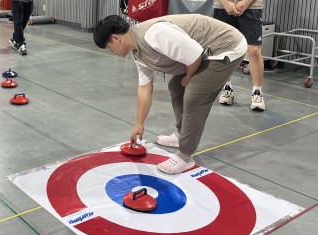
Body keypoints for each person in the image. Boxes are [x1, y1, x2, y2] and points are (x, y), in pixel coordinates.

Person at [93, 14, 247, 174]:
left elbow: (194, 55)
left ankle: (185, 156)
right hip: (203, 52)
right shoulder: (138, 52)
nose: (113, 52)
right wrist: (139, 124)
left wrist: (188, 78)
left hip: (225, 47)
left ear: (116, 38)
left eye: (110, 48)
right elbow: (145, 88)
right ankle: (182, 134)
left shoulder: (154, 35)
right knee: (175, 86)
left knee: (194, 95)